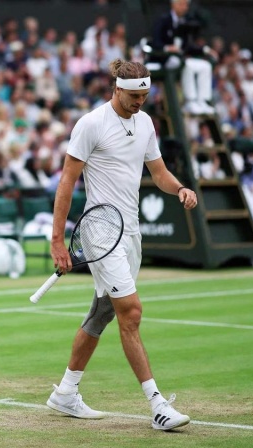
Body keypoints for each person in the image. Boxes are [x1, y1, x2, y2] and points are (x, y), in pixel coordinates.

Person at [45, 58, 197, 431]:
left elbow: (157, 173)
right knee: (131, 313)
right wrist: (57, 241)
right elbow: (67, 182)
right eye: (133, 96)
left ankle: (65, 392)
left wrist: (179, 188)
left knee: (103, 313)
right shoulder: (91, 124)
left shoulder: (145, 122)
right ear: (116, 88)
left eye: (144, 95)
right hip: (100, 232)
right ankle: (158, 406)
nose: (139, 102)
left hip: (131, 232)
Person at [151, 0, 217, 115]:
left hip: (180, 58)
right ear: (174, 4)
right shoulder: (163, 20)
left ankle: (202, 101)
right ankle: (190, 101)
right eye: (182, 4)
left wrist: (205, 50)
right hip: (165, 59)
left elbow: (188, 47)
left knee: (205, 66)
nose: (185, 7)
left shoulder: (186, 22)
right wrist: (167, 48)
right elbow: (155, 42)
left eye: (186, 4)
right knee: (186, 65)